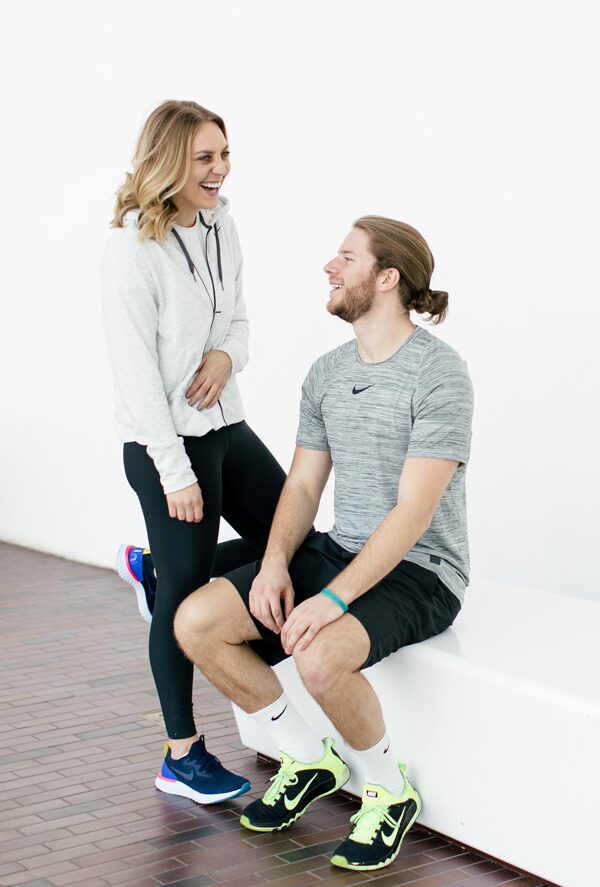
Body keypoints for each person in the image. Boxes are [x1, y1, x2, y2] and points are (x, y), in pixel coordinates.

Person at [173, 215, 474, 871]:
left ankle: (389, 792)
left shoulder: (439, 373)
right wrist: (276, 563)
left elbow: (414, 511)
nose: (329, 268)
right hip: (341, 548)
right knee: (196, 621)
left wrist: (333, 600)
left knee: (317, 655)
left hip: (423, 571)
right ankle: (307, 755)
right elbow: (304, 485)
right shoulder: (328, 372)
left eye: (346, 257)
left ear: (386, 276)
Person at [101, 99, 290, 805]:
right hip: (166, 447)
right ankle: (180, 753)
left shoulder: (222, 225)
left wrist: (224, 354)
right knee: (183, 601)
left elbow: (240, 320)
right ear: (169, 161)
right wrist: (173, 472)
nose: (220, 170)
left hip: (224, 426)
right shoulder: (130, 248)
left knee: (291, 540)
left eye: (224, 153)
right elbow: (136, 376)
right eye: (205, 157)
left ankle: (157, 568)